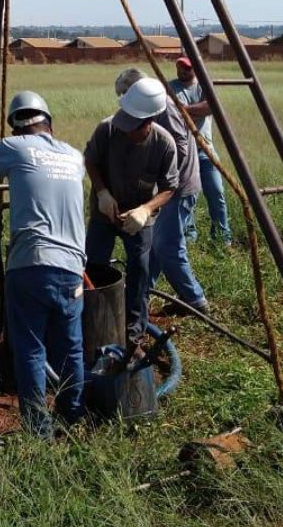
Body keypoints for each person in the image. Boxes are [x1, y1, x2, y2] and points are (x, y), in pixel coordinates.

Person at [0, 90, 87, 438]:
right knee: (70, 346)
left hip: (31, 264)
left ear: (16, 128)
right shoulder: (74, 156)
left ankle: (38, 430)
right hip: (73, 268)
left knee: (31, 349)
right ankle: (72, 417)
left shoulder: (15, 148)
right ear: (49, 123)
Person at [83, 76, 178, 354]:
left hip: (138, 220)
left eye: (133, 127)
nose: (126, 130)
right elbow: (91, 160)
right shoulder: (107, 129)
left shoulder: (164, 145)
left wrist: (146, 209)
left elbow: (170, 187)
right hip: (105, 213)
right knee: (94, 266)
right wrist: (102, 193)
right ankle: (91, 323)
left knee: (140, 271)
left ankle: (133, 334)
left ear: (148, 123)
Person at [114, 68, 210, 319]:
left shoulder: (163, 106)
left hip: (178, 187)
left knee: (168, 247)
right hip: (169, 186)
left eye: (126, 95)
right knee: (156, 243)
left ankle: (195, 300)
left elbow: (179, 146)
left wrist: (157, 176)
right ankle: (142, 293)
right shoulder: (152, 105)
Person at [170, 55, 233, 247]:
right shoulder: (169, 87)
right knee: (187, 197)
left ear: (195, 69)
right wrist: (189, 110)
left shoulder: (204, 86)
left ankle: (222, 238)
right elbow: (171, 111)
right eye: (180, 67)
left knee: (217, 193)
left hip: (205, 150)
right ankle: (189, 240)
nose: (182, 71)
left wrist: (183, 110)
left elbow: (209, 107)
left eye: (187, 68)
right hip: (182, 153)